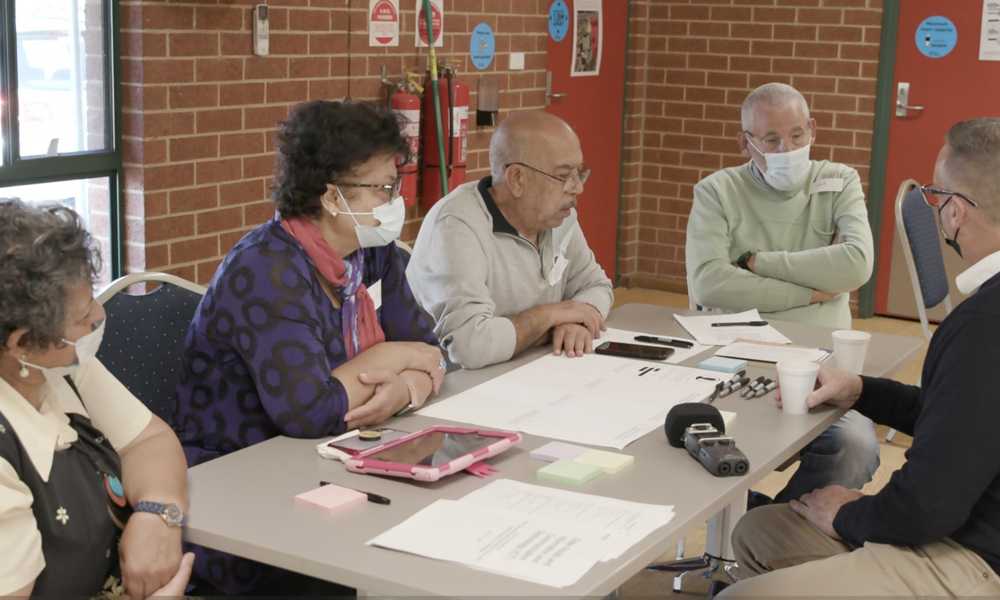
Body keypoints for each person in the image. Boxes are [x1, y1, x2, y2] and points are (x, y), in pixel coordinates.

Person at [718, 118, 1000, 598]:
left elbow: (928, 509)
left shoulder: (983, 326)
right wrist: (862, 390)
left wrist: (847, 516)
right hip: (965, 519)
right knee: (759, 532)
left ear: (955, 212)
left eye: (936, 195)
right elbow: (965, 420)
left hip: (975, 557)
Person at [174, 100, 445, 595]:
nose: (393, 201)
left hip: (331, 461)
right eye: (381, 188)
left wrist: (406, 387)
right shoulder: (266, 270)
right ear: (330, 195)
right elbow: (309, 410)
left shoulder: (371, 250)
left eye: (395, 185)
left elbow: (428, 347)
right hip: (239, 486)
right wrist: (383, 360)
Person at [686, 82, 879, 505]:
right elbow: (710, 282)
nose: (786, 148)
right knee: (687, 437)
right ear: (745, 143)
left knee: (856, 445)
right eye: (771, 139)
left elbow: (857, 265)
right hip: (734, 359)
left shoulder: (839, 180)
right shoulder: (716, 191)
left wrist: (758, 261)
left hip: (818, 364)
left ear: (813, 129)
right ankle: (734, 526)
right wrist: (813, 293)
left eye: (796, 135)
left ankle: (771, 526)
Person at [0, 200, 192, 599]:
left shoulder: (58, 367)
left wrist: (159, 513)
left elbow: (149, 440)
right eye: (83, 315)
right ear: (22, 344)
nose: (99, 320)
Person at [406, 110, 613, 370]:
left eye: (579, 173)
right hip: (454, 385)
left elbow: (597, 285)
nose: (577, 188)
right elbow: (470, 347)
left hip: (527, 368)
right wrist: (552, 315)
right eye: (563, 176)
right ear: (517, 179)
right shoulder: (456, 225)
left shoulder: (558, 217)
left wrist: (577, 320)